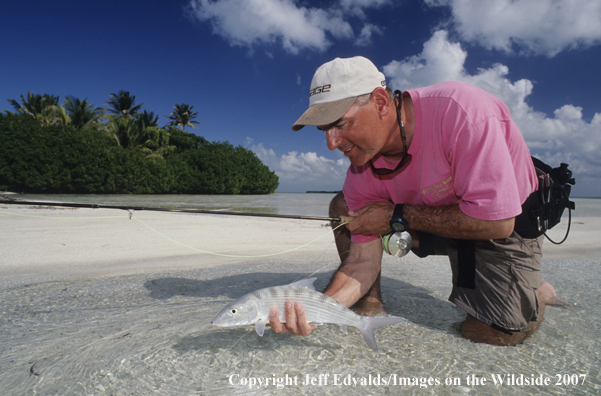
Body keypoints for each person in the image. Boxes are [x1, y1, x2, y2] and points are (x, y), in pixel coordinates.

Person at [272, 56, 562, 345]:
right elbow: (361, 263)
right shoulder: (360, 171)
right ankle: (369, 303)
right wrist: (316, 311)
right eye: (324, 130)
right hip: (433, 218)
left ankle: (540, 294)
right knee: (344, 207)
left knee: (492, 336)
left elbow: (499, 223)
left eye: (340, 124)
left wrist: (395, 215)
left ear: (381, 102)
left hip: (502, 225)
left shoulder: (464, 112)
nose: (331, 144)